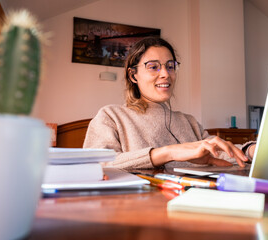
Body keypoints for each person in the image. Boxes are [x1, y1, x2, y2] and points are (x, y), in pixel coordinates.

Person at [83, 36, 256, 169]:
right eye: (153, 66)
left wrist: (251, 150)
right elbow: (95, 165)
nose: (166, 73)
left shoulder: (188, 122)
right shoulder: (111, 116)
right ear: (133, 75)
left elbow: (220, 153)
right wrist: (168, 152)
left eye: (170, 66)